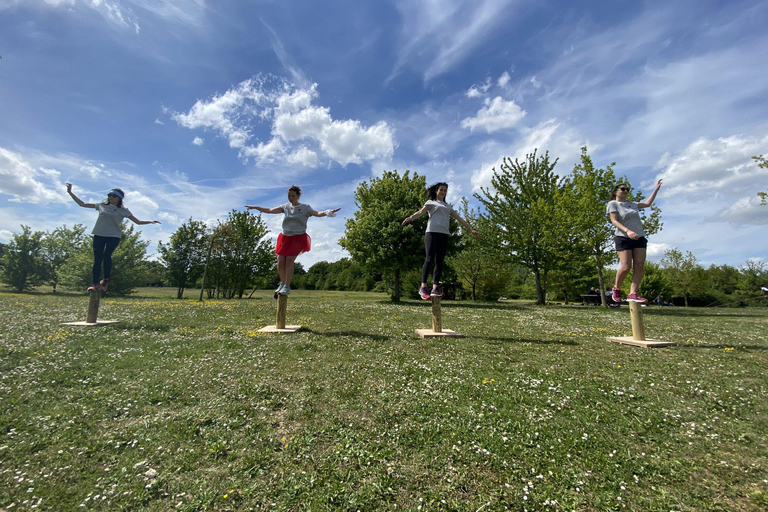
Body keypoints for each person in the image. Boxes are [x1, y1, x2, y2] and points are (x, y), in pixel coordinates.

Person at [246, 186, 340, 297]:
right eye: (289, 196)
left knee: (289, 261)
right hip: (285, 237)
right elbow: (270, 211)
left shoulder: (305, 208)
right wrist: (256, 207)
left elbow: (318, 213)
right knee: (280, 262)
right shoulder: (285, 207)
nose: (291, 198)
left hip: (298, 237)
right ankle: (282, 283)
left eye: (293, 196)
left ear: (298, 196)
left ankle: (287, 285)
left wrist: (328, 212)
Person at [67, 183, 161, 292]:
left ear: (119, 199)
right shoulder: (102, 205)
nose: (111, 198)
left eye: (114, 196)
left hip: (113, 236)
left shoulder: (123, 211)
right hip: (99, 234)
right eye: (109, 195)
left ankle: (105, 280)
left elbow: (138, 221)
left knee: (107, 256)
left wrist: (150, 221)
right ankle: (95, 283)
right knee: (97, 259)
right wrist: (70, 192)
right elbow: (82, 204)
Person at [402, 182, 479, 300]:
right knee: (429, 258)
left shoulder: (448, 207)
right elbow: (420, 212)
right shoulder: (430, 203)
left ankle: (435, 287)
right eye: (441, 190)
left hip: (444, 234)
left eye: (445, 190)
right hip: (431, 233)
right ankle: (423, 287)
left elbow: (460, 219)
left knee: (439, 261)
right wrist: (410, 218)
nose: (443, 192)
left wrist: (471, 229)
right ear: (437, 191)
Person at [607, 179, 662, 303]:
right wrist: (627, 231)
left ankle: (633, 293)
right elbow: (614, 221)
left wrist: (656, 190)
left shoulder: (632, 203)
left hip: (639, 237)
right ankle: (616, 288)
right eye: (623, 189)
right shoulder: (613, 204)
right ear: (616, 191)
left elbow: (647, 204)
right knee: (626, 266)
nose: (625, 191)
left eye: (627, 189)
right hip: (623, 237)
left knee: (639, 265)